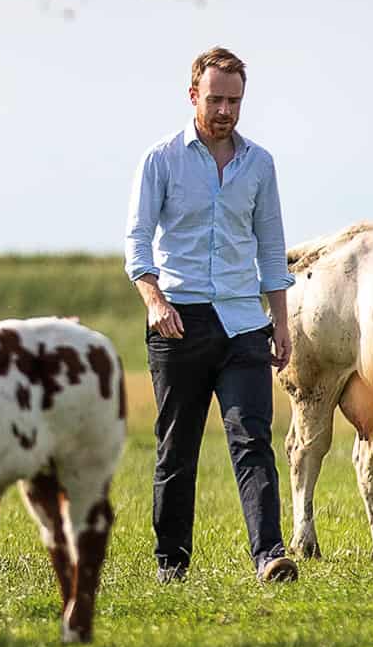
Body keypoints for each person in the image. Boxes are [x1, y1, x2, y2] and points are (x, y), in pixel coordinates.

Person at [123, 47, 298, 586]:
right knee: (178, 447)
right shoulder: (162, 159)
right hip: (181, 325)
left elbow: (271, 249)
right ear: (193, 95)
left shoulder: (259, 164)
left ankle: (270, 555)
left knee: (253, 440)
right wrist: (156, 304)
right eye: (216, 98)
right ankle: (171, 564)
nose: (225, 110)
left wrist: (282, 323)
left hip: (245, 324)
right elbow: (137, 244)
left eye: (235, 100)